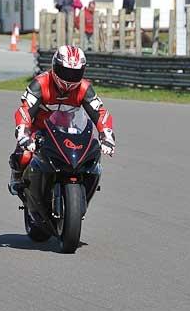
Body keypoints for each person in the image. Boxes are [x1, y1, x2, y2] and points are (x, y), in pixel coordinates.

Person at [7, 45, 116, 199]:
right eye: (65, 72)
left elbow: (99, 112)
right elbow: (25, 109)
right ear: (55, 67)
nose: (69, 78)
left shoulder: (85, 88)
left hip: (70, 131)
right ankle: (17, 176)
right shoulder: (40, 83)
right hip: (40, 130)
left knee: (94, 159)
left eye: (75, 73)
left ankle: (83, 192)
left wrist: (107, 137)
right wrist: (23, 132)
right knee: (24, 155)